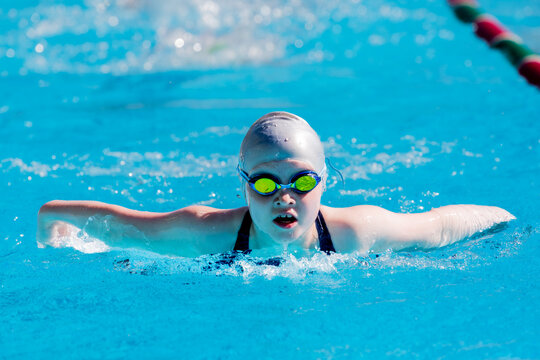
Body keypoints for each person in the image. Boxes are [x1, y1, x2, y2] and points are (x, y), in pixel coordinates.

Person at [37, 112, 515, 257]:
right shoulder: (203, 231)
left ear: (325, 183)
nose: (285, 197)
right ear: (244, 187)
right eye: (266, 183)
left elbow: (440, 224)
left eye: (301, 181)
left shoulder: (356, 232)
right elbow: (96, 220)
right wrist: (51, 236)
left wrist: (508, 221)